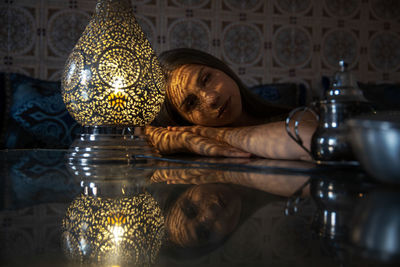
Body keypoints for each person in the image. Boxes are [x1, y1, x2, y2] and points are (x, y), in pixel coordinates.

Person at [145, 48, 316, 160]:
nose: (211, 98)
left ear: (221, 68)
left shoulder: (300, 116)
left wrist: (211, 133)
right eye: (191, 103)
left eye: (206, 79)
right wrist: (182, 140)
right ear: (183, 122)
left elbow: (309, 139)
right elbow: (133, 138)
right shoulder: (199, 154)